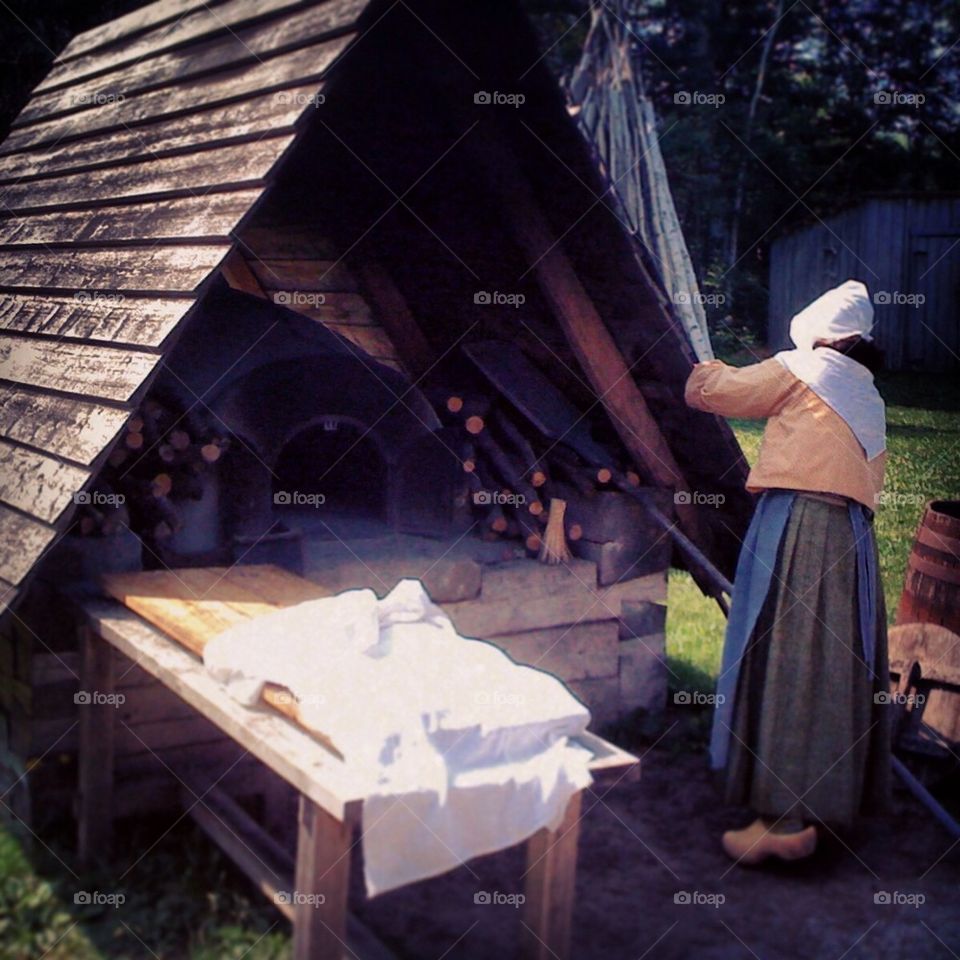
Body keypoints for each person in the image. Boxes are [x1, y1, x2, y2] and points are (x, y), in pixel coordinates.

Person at [684, 279, 891, 865]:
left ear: (821, 336)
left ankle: (781, 820)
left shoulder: (803, 370)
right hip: (850, 539)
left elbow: (714, 392)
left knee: (790, 659)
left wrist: (696, 355)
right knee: (831, 666)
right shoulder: (868, 396)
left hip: (798, 522)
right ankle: (826, 800)